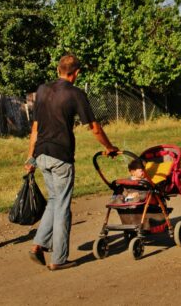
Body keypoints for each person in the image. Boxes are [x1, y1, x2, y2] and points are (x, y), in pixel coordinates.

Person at [25, 54, 119, 271]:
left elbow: (36, 127)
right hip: (60, 155)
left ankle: (38, 245)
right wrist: (109, 147)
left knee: (54, 200)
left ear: (58, 69)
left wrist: (31, 156)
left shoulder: (42, 90)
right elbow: (94, 127)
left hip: (41, 154)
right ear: (76, 73)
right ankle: (58, 258)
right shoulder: (75, 93)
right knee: (63, 206)